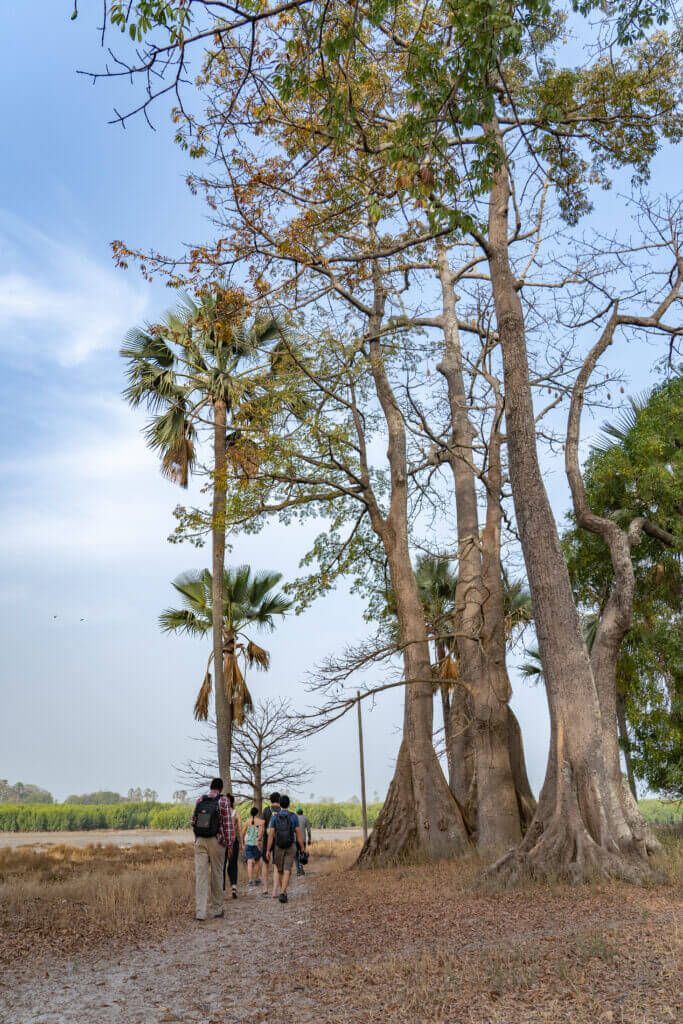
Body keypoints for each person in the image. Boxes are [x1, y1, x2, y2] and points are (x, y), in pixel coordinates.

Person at [191, 777, 235, 921]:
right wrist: (230, 845)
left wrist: (197, 838)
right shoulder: (224, 801)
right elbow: (228, 825)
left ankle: (200, 913)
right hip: (217, 841)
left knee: (201, 877)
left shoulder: (200, 800)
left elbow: (193, 821)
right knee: (217, 875)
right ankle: (217, 910)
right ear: (221, 789)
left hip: (201, 841)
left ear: (210, 787)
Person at [266, 794, 304, 904]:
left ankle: (283, 892)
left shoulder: (274, 817)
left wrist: (268, 850)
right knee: (287, 869)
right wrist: (302, 847)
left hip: (278, 846)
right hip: (291, 845)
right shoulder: (293, 816)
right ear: (288, 804)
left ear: (280, 804)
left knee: (280, 870)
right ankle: (283, 892)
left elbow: (271, 835)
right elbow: (298, 833)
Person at [260, 792, 280, 898]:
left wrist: (259, 839)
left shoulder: (266, 810)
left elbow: (262, 826)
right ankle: (275, 891)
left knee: (265, 863)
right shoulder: (282, 811)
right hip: (278, 840)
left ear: (271, 800)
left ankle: (265, 888)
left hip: (267, 838)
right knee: (276, 865)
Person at [223, 793, 243, 899]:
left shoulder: (221, 813)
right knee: (233, 864)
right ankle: (234, 887)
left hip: (222, 842)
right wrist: (242, 844)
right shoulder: (236, 813)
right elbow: (240, 829)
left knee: (222, 865)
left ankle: (221, 890)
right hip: (234, 842)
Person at [243, 806, 265, 887]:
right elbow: (261, 833)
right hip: (257, 844)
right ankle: (256, 879)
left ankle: (250, 881)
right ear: (257, 813)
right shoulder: (261, 822)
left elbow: (243, 833)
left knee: (249, 862)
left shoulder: (247, 822)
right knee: (256, 862)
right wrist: (260, 841)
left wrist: (242, 843)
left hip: (248, 844)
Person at [295, 807, 312, 876]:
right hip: (303, 839)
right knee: (302, 854)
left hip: (295, 839)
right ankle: (301, 867)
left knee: (296, 855)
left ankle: (298, 870)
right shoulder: (306, 819)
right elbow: (308, 830)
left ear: (297, 812)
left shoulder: (294, 819)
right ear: (302, 812)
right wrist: (309, 839)